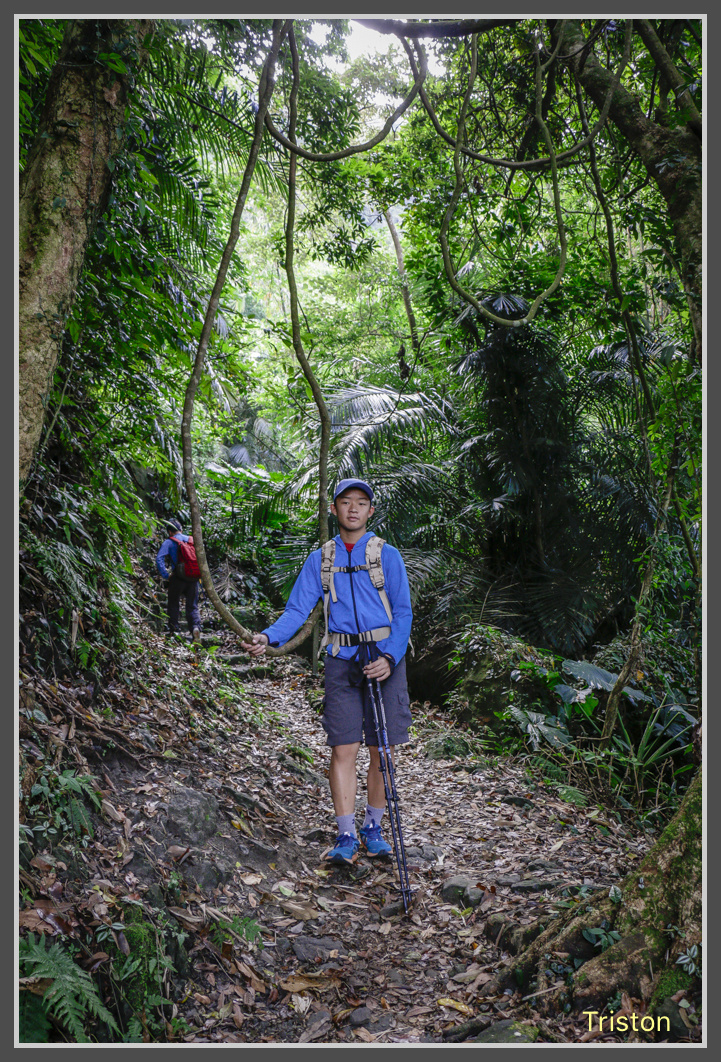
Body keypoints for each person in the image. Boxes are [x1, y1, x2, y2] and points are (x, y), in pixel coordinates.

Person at [242, 479, 413, 864]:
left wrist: (389, 657)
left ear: (370, 511)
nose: (353, 509)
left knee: (382, 750)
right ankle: (346, 834)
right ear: (333, 510)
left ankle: (374, 827)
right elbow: (296, 611)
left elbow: (402, 613)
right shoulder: (321, 559)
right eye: (345, 502)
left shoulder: (388, 556)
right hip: (341, 660)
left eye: (361, 503)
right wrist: (266, 637)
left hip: (385, 659)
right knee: (343, 747)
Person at [155, 518, 201, 641]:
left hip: (178, 577)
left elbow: (159, 559)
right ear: (180, 529)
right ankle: (195, 627)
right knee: (192, 605)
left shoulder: (169, 542)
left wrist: (166, 574)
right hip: (193, 578)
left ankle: (174, 630)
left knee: (173, 603)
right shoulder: (191, 540)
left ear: (169, 532)